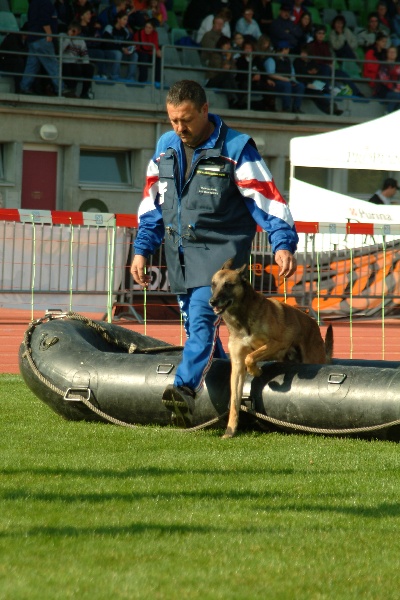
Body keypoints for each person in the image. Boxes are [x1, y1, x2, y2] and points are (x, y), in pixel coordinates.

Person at [130, 79, 298, 424]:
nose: (180, 128)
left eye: (187, 119)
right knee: (197, 332)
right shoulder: (165, 147)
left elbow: (267, 200)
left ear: (205, 110)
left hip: (221, 261)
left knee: (203, 325)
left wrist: (282, 243)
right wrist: (142, 250)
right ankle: (225, 401)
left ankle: (183, 390)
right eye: (173, 120)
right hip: (180, 258)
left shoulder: (236, 148)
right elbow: (152, 205)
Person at [19, 0, 66, 96]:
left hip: (33, 38)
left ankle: (24, 86)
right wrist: (49, 34)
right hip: (42, 38)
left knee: (32, 65)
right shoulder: (45, 2)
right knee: (52, 63)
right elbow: (44, 19)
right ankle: (61, 88)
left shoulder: (34, 3)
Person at [293, 45, 343, 116]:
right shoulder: (297, 62)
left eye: (304, 53)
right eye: (301, 53)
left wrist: (311, 76)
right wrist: (307, 80)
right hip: (303, 85)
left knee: (318, 91)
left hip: (312, 85)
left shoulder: (312, 62)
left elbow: (316, 74)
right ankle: (330, 108)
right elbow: (298, 77)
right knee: (316, 93)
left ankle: (330, 109)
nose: (302, 55)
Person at [264, 39, 305, 113]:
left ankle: (296, 108)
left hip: (288, 82)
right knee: (286, 85)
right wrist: (284, 79)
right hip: (276, 83)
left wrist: (293, 81)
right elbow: (270, 74)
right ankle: (286, 108)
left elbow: (292, 74)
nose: (288, 50)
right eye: (287, 49)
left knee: (300, 86)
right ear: (282, 49)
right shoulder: (271, 59)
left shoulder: (287, 60)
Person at [205, 35, 242, 108]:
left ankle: (232, 101)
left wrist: (230, 60)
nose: (228, 47)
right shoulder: (216, 55)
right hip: (212, 79)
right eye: (227, 44)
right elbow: (221, 70)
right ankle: (239, 96)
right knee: (226, 74)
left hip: (223, 80)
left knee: (226, 82)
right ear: (221, 45)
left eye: (229, 44)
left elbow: (234, 71)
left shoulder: (229, 56)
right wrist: (227, 59)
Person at [61, 20, 95, 97]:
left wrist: (86, 65)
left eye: (74, 31)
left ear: (78, 31)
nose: (72, 32)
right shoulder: (62, 36)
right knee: (74, 68)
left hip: (74, 62)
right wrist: (68, 38)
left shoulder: (81, 41)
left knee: (89, 68)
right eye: (70, 29)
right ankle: (71, 90)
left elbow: (85, 55)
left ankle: (84, 93)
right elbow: (60, 50)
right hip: (64, 62)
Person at [102, 9, 137, 81]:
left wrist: (130, 48)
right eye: (124, 19)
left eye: (126, 20)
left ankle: (130, 77)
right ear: (118, 19)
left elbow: (126, 43)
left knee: (135, 55)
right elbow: (107, 44)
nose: (126, 22)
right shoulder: (109, 28)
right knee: (118, 53)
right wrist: (122, 49)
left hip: (121, 52)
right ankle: (114, 76)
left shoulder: (125, 31)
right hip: (108, 51)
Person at [374, 45, 400, 112]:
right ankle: (388, 112)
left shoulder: (398, 66)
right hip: (385, 90)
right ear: (387, 53)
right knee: (397, 96)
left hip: (397, 90)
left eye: (394, 52)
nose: (392, 54)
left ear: (396, 54)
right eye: (390, 52)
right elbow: (384, 80)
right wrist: (394, 89)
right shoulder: (383, 65)